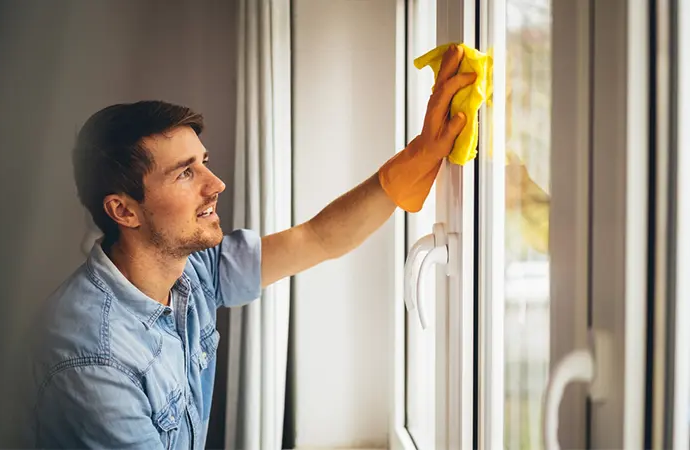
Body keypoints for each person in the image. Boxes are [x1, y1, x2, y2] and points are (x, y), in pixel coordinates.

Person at [27, 45, 476, 449]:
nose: (216, 184)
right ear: (124, 211)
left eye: (204, 163)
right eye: (185, 173)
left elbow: (317, 238)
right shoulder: (92, 356)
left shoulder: (188, 267)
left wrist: (421, 154)